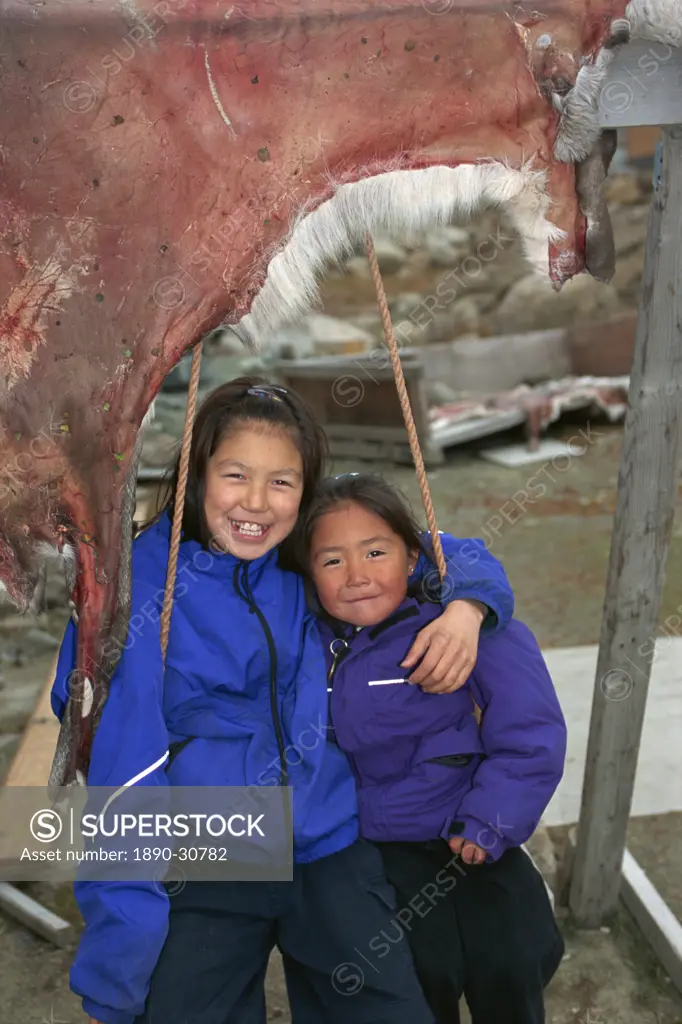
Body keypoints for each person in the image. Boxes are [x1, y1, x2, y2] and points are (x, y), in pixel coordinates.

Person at [50, 377, 516, 1024]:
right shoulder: (138, 592)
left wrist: (467, 606)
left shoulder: (298, 555)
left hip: (326, 842)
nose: (258, 504)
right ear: (195, 473)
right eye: (236, 475)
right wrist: (116, 971)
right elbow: (124, 780)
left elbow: (437, 549)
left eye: (282, 483)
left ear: (304, 491)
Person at [302, 471, 568, 1024]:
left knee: (515, 954)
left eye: (376, 552)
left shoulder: (462, 628)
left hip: (469, 828)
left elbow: (530, 731)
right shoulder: (307, 638)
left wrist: (491, 820)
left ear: (412, 554)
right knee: (420, 969)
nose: (356, 576)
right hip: (374, 845)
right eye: (331, 561)